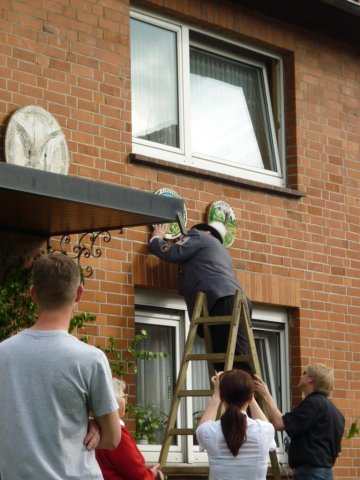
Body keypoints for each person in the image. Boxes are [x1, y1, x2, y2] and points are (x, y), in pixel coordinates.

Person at [0, 253, 120, 479]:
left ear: (33, 294)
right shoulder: (90, 359)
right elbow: (113, 438)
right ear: (79, 293)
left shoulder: (2, 355)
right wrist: (94, 425)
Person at [149, 221, 253, 372]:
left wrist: (156, 240)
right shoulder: (219, 250)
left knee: (228, 365)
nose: (185, 238)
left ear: (207, 231)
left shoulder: (199, 235)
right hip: (235, 301)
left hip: (221, 301)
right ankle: (247, 393)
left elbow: (173, 252)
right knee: (235, 362)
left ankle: (243, 393)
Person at [254, 364, 345, 480]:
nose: (301, 375)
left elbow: (279, 423)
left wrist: (265, 394)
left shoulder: (313, 404)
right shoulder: (336, 413)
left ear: (311, 379)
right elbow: (336, 452)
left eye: (305, 373)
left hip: (310, 474)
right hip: (324, 473)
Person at [196, 370, 276, 480]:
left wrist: (216, 396)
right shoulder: (265, 430)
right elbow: (265, 425)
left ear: (222, 397)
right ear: (249, 398)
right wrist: (250, 397)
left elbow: (201, 428)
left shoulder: (210, 432)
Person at [96, 378, 164, 480]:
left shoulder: (96, 429)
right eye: (124, 396)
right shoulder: (117, 434)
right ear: (114, 402)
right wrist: (153, 475)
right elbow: (139, 476)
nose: (126, 401)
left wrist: (148, 471)